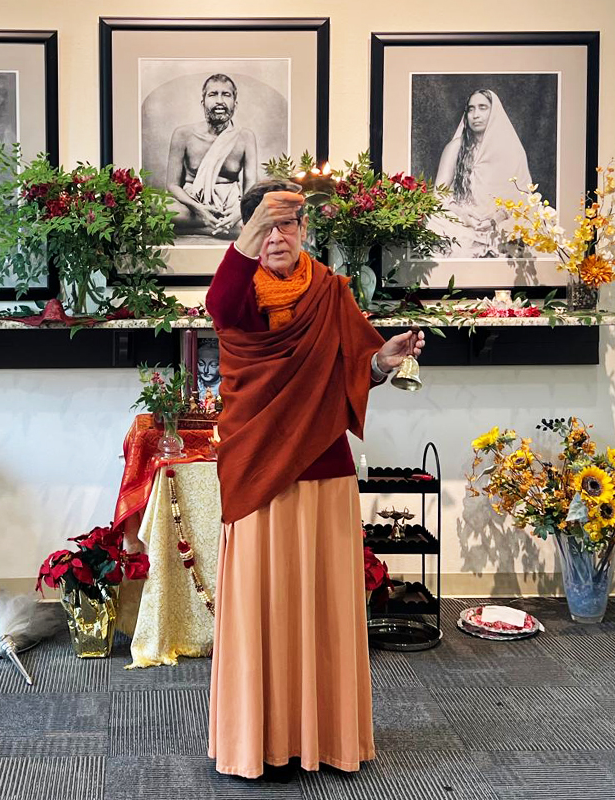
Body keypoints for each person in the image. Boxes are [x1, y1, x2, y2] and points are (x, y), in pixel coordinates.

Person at [204, 179, 425, 779]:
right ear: (248, 232)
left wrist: (384, 359)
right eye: (266, 225)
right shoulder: (238, 293)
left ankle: (323, 737)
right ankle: (260, 741)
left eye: (289, 224)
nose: (278, 236)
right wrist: (254, 231)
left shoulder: (330, 290)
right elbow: (219, 305)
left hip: (324, 466)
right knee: (264, 606)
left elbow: (358, 366)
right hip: (258, 469)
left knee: (323, 605)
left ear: (304, 230)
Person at [433, 88, 532, 258]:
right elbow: (438, 193)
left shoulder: (511, 150)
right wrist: (462, 214)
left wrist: (495, 219)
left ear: (494, 113)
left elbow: (522, 196)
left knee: (528, 226)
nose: (475, 115)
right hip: (462, 219)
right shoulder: (455, 147)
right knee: (434, 222)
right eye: (471, 109)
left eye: (482, 108)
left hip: (500, 220)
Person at [165, 74, 259, 239]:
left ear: (235, 104)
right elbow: (172, 185)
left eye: (226, 95)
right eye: (213, 94)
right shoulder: (183, 134)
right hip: (192, 204)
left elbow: (251, 186)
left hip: (230, 205)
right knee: (153, 207)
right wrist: (198, 209)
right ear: (203, 103)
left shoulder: (245, 137)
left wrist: (238, 212)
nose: (219, 101)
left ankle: (196, 228)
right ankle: (221, 229)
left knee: (260, 213)